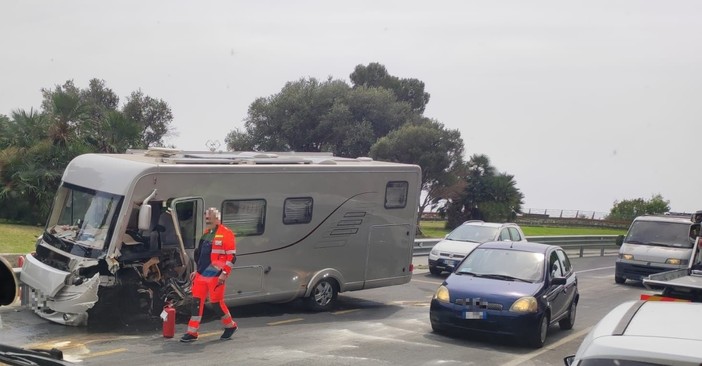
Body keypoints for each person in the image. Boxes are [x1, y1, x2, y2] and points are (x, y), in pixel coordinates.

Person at [180, 207, 238, 342]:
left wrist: (224, 274)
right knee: (196, 302)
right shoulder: (207, 233)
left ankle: (230, 326)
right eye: (207, 218)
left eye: (210, 218)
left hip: (216, 273)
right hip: (202, 274)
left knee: (216, 303)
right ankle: (192, 332)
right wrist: (197, 270)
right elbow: (200, 254)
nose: (208, 221)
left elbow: (232, 257)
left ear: (218, 219)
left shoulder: (226, 234)